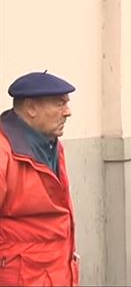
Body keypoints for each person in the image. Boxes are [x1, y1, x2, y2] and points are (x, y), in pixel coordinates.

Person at [0, 71, 80, 286]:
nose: (68, 112)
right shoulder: (4, 150)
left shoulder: (52, 145)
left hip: (56, 273)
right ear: (31, 108)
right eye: (59, 103)